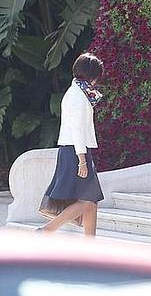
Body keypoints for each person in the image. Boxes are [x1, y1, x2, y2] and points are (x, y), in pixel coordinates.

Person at [37, 53, 105, 236]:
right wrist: (82, 160)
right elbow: (77, 130)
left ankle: (89, 247)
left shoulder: (78, 93)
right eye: (96, 77)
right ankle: (46, 231)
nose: (96, 82)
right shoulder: (76, 96)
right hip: (75, 152)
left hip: (76, 151)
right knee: (88, 201)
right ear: (91, 76)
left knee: (91, 201)